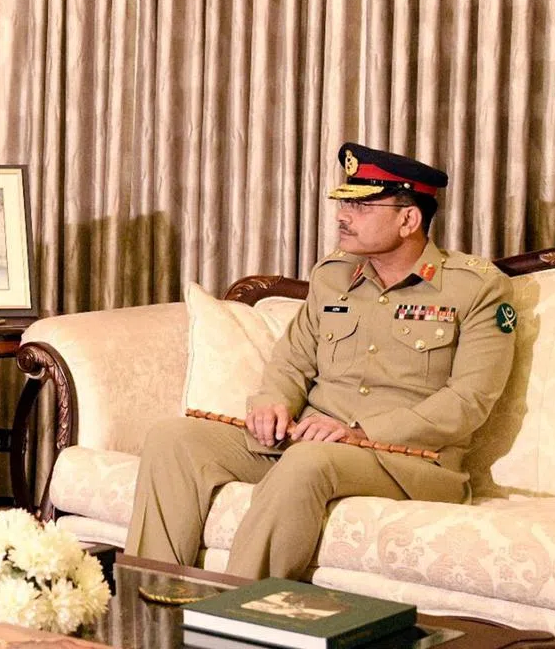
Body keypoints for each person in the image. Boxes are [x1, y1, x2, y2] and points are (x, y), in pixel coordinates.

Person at [125, 142, 518, 580]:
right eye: (344, 204)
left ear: (409, 219)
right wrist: (272, 401)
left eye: (364, 207)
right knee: (173, 438)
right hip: (309, 443)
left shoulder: (476, 288)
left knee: (308, 461)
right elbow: (292, 359)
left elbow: (469, 401)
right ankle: (151, 604)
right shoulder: (333, 275)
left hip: (409, 460)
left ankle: (235, 619)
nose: (342, 217)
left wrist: (360, 432)